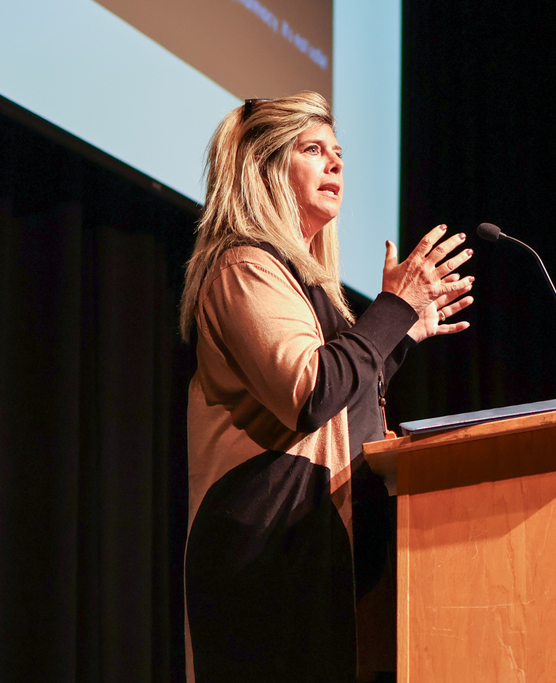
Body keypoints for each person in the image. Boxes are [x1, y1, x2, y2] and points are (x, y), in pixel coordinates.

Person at [178, 92, 474, 683]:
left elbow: (344, 402)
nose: (336, 163)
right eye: (313, 150)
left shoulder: (308, 288)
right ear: (265, 169)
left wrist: (404, 332)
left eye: (338, 151)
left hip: (315, 540)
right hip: (265, 546)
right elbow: (311, 393)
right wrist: (391, 308)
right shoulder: (243, 267)